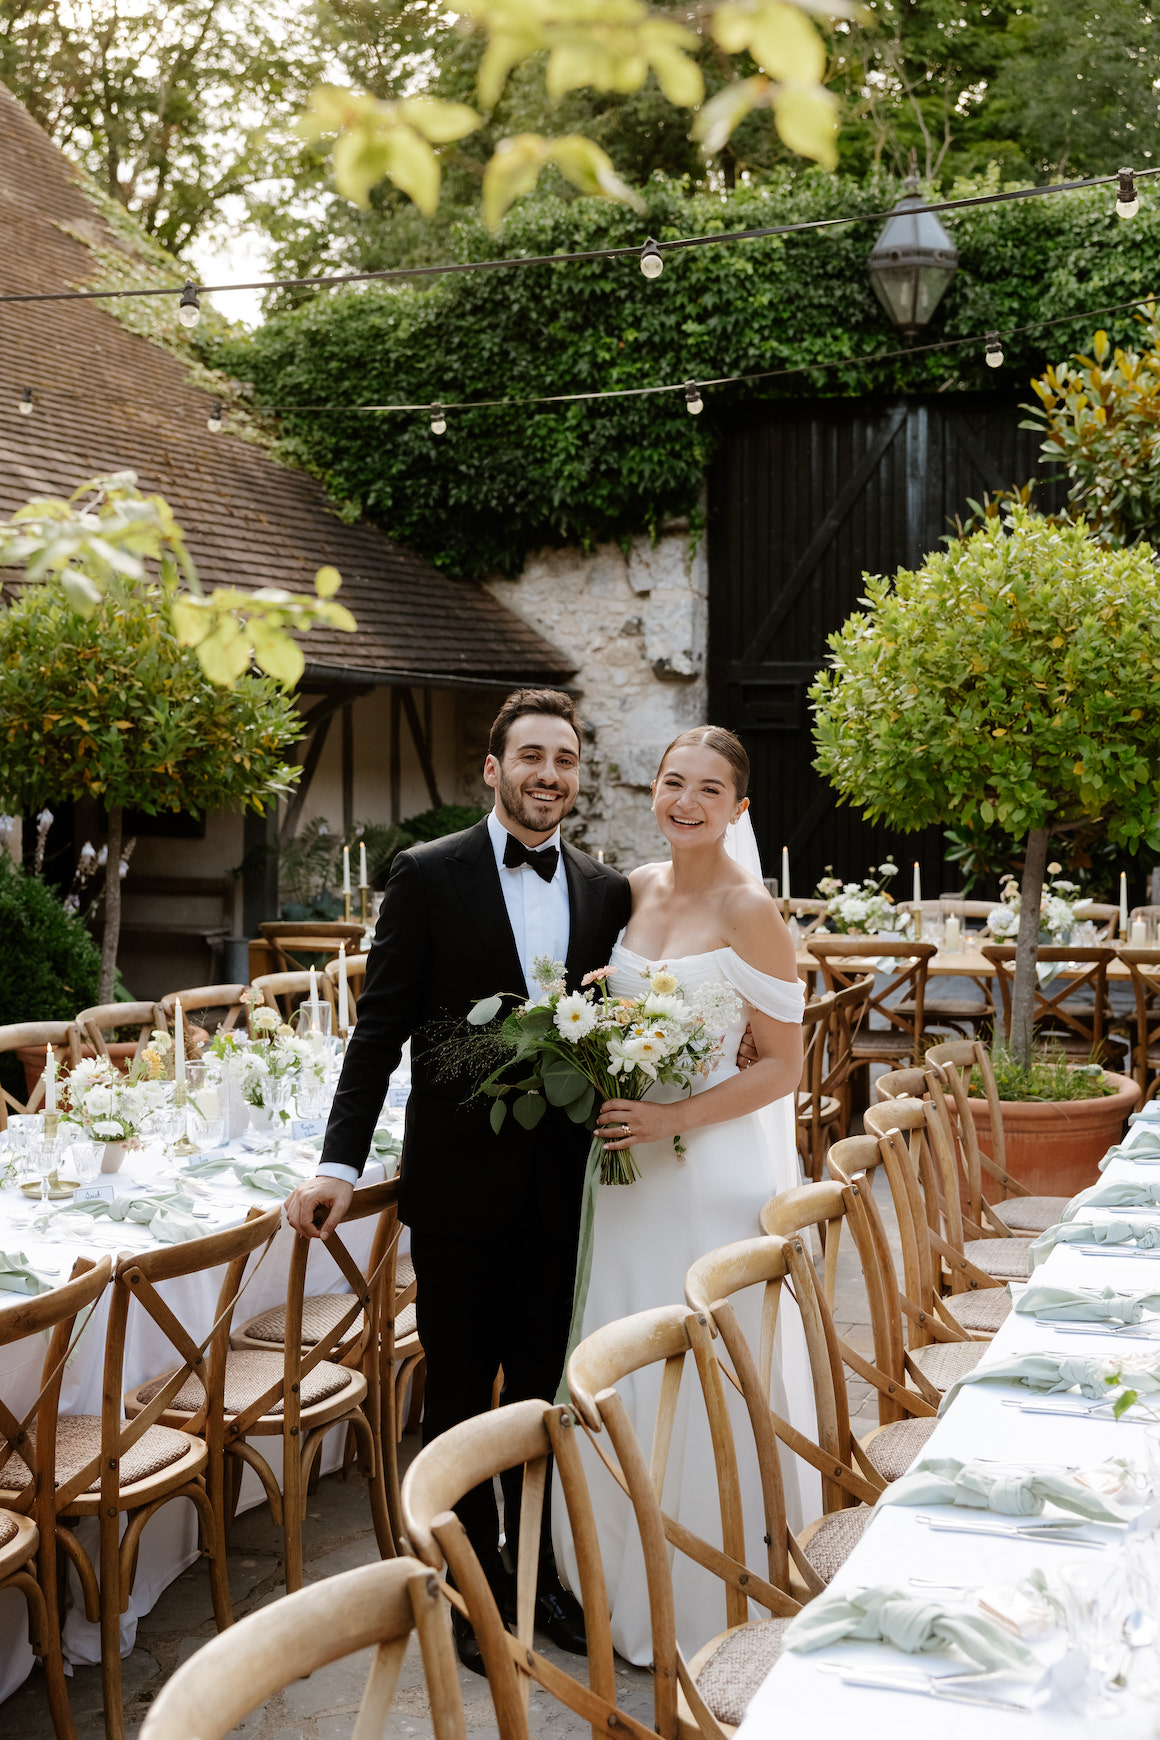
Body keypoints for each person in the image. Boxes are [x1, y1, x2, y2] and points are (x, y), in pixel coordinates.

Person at [285, 688, 631, 1673]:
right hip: (457, 1186)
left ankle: (542, 1577)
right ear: (493, 769)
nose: (547, 776)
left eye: (563, 760)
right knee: (457, 1398)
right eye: (530, 757)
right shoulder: (427, 875)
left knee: (539, 1394)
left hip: (565, 1188)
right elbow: (378, 1028)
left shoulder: (606, 893)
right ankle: (466, 1585)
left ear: (576, 775)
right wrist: (338, 1162)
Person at [552, 725, 815, 1665]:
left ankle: (713, 1594)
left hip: (704, 1177)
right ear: (654, 792)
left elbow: (784, 1065)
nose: (687, 802)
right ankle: (614, 1585)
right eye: (674, 783)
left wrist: (675, 1119)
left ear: (740, 809)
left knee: (699, 1368)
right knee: (614, 1359)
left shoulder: (751, 910)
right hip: (622, 1179)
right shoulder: (629, 888)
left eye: (711, 789)